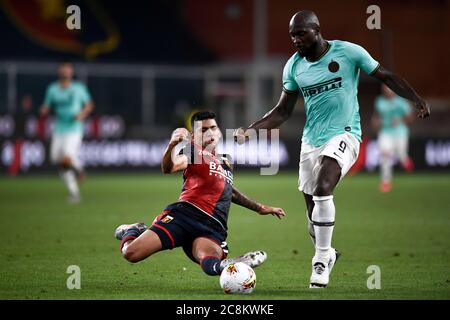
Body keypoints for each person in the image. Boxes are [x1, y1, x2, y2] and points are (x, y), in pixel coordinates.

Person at [234, 10, 430, 288]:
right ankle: (327, 252)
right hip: (311, 140)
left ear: (316, 30)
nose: (296, 40)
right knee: (312, 209)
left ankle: (321, 259)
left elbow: (385, 76)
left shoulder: (348, 52)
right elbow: (283, 111)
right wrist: (251, 130)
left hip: (346, 133)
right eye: (292, 35)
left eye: (301, 33)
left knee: (324, 186)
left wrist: (416, 99)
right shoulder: (293, 66)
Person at [114, 111, 286, 277]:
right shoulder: (192, 151)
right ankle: (132, 230)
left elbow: (229, 192)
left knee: (210, 264)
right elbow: (170, 167)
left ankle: (230, 265)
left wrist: (260, 208)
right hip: (184, 216)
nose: (210, 132)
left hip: (212, 227)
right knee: (131, 253)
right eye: (203, 130)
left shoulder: (226, 161)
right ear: (194, 136)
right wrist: (172, 145)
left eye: (213, 127)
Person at [40, 61, 93, 203]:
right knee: (58, 160)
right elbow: (47, 105)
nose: (65, 73)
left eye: (67, 70)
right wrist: (44, 110)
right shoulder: (52, 89)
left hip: (74, 128)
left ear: (70, 73)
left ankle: (77, 176)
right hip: (59, 128)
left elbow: (89, 105)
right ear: (60, 72)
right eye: (63, 70)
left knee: (66, 159)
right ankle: (77, 181)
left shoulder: (78, 88)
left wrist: (81, 115)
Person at [372, 84, 414, 192]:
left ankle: (405, 161)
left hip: (400, 132)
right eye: (385, 88)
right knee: (385, 154)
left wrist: (400, 120)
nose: (386, 90)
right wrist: (376, 123)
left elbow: (410, 118)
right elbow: (376, 117)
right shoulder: (379, 101)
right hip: (385, 132)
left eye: (389, 88)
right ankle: (386, 182)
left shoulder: (401, 102)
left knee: (401, 156)